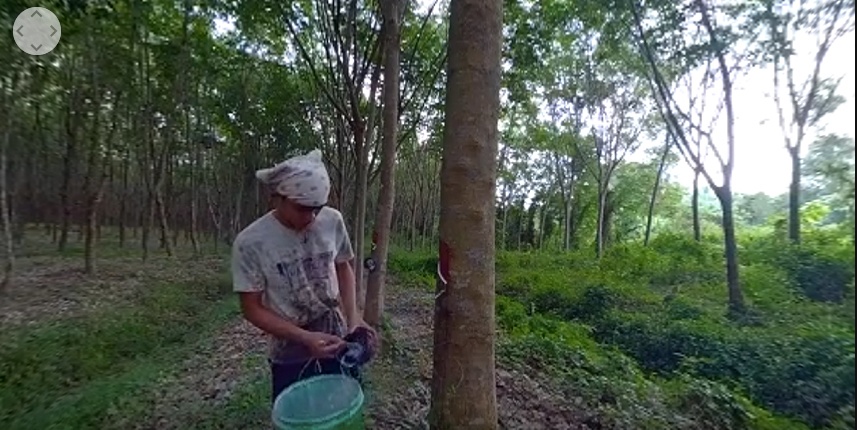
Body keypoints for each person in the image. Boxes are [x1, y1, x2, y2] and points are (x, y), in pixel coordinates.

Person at [230, 148, 378, 401]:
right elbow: (251, 308)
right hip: (289, 341)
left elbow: (344, 266)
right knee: (298, 408)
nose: (311, 217)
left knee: (342, 402)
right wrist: (304, 337)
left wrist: (354, 318)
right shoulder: (251, 242)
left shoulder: (333, 221)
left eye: (317, 208)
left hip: (335, 329)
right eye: (302, 208)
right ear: (277, 198)